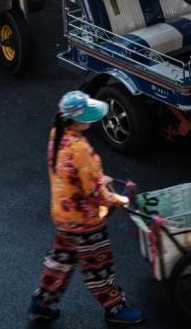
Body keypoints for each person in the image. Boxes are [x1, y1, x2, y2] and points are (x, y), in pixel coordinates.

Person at [29, 91, 146, 325]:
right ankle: (115, 308)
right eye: (87, 116)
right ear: (76, 120)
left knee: (61, 262)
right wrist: (117, 200)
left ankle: (41, 304)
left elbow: (72, 174)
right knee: (98, 265)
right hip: (85, 221)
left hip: (64, 216)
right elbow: (94, 193)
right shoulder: (80, 149)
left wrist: (98, 177)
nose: (92, 119)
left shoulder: (58, 135)